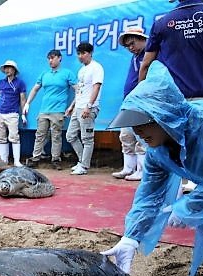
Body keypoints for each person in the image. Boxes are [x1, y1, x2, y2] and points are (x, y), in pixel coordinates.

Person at [101, 61, 203, 276]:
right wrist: (131, 237)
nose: (138, 130)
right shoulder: (157, 150)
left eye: (143, 122)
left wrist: (190, 206)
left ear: (164, 116)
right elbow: (149, 195)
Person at [139, 0, 203, 192]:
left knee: (173, 156)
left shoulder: (163, 22)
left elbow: (146, 64)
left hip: (175, 105)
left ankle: (179, 193)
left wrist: (142, 101)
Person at [23, 50, 77, 170]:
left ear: (59, 58)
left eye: (53, 58)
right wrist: (27, 103)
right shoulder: (44, 74)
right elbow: (35, 89)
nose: (50, 60)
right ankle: (35, 158)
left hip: (58, 110)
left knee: (56, 136)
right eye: (49, 58)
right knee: (40, 135)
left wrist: (72, 106)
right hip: (44, 110)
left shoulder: (67, 73)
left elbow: (77, 90)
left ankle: (56, 159)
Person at [111, 28, 148, 181]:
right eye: (127, 46)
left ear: (142, 39)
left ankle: (141, 170)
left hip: (141, 102)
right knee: (126, 135)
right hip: (129, 101)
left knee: (141, 137)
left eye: (132, 43)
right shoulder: (135, 57)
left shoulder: (149, 55)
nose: (130, 48)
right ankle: (128, 168)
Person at [65, 42, 104, 175]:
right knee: (70, 136)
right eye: (79, 53)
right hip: (78, 107)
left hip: (88, 108)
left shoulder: (96, 67)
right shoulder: (81, 70)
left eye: (83, 53)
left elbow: (96, 87)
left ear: (90, 53)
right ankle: (82, 161)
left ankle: (84, 166)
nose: (80, 56)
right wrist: (72, 106)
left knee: (87, 138)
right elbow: (80, 90)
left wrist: (89, 106)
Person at [0, 59, 26, 167]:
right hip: (0, 113)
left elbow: (22, 99)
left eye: (9, 67)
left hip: (13, 114)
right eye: (6, 68)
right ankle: (4, 161)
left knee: (14, 137)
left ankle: (17, 161)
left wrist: (23, 115)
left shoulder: (19, 83)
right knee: (1, 138)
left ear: (14, 70)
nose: (7, 70)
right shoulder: (1, 82)